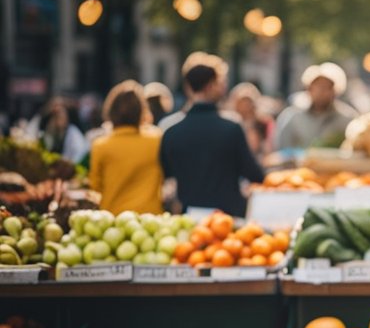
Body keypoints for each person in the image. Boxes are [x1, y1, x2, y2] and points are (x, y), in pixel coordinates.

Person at [159, 52, 265, 216]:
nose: (223, 87)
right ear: (211, 86)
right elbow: (254, 174)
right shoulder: (232, 128)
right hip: (227, 218)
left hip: (189, 216)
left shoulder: (171, 131)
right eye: (220, 82)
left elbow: (166, 174)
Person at [88, 81, 163, 214]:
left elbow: (95, 187)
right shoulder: (157, 140)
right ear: (141, 111)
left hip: (113, 218)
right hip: (150, 218)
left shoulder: (100, 146)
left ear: (111, 111)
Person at [274, 62, 358, 150]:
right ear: (309, 89)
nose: (321, 92)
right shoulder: (292, 117)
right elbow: (282, 149)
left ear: (335, 91)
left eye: (327, 87)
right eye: (317, 87)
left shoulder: (348, 119)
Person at [229, 82, 274, 159]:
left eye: (248, 102)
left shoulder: (264, 123)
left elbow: (269, 147)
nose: (245, 106)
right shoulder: (231, 124)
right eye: (242, 102)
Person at [36, 97, 88, 162]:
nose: (59, 120)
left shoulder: (72, 132)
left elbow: (81, 152)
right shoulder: (49, 130)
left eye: (62, 116)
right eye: (56, 116)